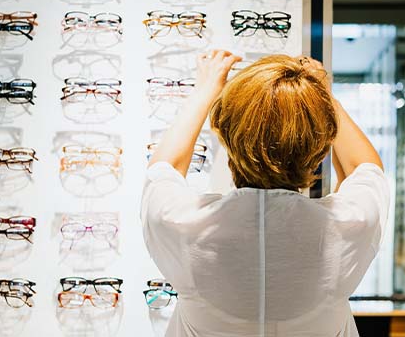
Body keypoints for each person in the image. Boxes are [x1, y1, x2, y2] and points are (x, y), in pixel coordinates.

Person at [141, 49, 390, 337]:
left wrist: (206, 88)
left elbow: (163, 168)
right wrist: (320, 94)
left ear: (224, 133)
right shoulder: (348, 226)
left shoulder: (181, 225)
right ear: (321, 147)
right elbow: (364, 166)